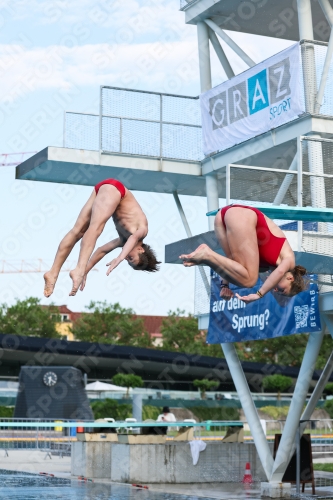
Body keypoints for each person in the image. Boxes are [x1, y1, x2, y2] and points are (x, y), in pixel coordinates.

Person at [43, 178, 160, 297]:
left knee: (78, 231)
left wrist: (86, 271)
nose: (126, 258)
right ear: (141, 250)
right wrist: (119, 258)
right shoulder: (143, 231)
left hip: (103, 189)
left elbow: (101, 251)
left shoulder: (122, 241)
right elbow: (134, 238)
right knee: (96, 228)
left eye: (127, 261)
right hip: (115, 189)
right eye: (131, 259)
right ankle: (79, 269)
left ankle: (53, 272)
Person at [180, 204, 307, 303]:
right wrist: (258, 295)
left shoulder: (262, 266)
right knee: (250, 281)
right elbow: (279, 272)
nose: (274, 290)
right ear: (290, 278)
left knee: (241, 273)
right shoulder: (289, 261)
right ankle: (206, 255)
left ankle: (206, 255)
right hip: (242, 216)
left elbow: (230, 265)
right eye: (281, 290)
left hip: (223, 217)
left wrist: (224, 285)